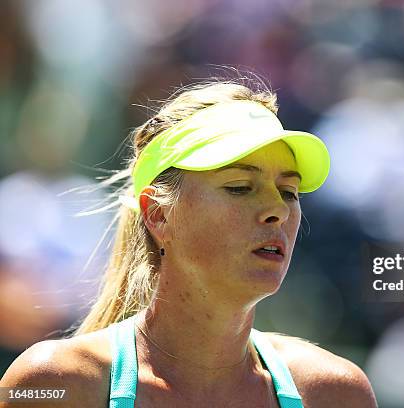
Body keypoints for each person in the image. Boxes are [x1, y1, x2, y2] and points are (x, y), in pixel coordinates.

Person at [0, 78, 378, 407]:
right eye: (239, 188)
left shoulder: (335, 393)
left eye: (289, 192)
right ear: (158, 215)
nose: (276, 210)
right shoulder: (52, 385)